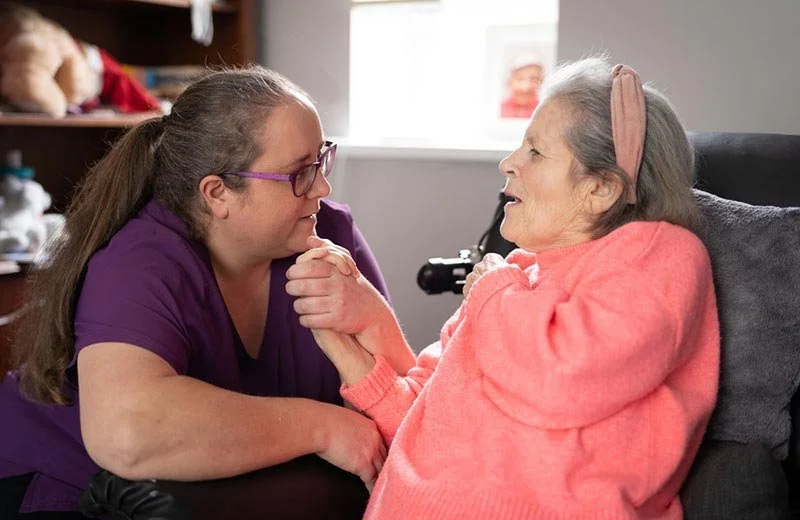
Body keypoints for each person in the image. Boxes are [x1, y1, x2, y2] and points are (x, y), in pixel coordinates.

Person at [288, 57, 721, 519]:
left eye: (535, 151)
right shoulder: (516, 276)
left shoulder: (659, 253)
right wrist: (344, 350)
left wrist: (493, 289)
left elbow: (561, 381)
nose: (508, 163)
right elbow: (423, 425)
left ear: (600, 188)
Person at [0, 66, 413, 518]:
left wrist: (372, 316)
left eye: (321, 160)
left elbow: (406, 405)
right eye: (299, 172)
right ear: (217, 194)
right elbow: (129, 433)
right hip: (56, 480)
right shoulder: (143, 260)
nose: (323, 188)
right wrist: (323, 428)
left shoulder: (329, 231)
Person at [500, 54, 543, 119]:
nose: (525, 87)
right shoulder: (498, 109)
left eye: (534, 79)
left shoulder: (544, 110)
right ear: (509, 82)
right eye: (520, 79)